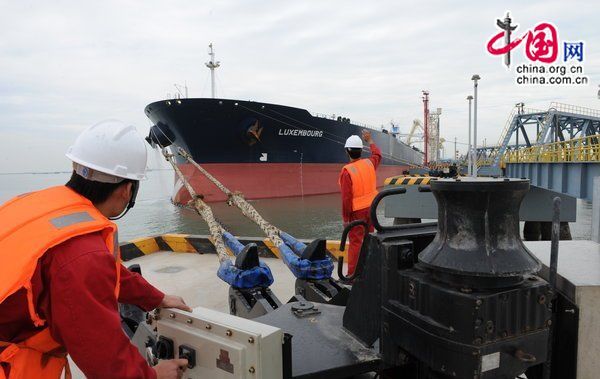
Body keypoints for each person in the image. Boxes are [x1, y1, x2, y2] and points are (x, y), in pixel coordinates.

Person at [0, 120, 190, 379]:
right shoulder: (82, 254)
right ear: (126, 190)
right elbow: (104, 357)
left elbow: (103, 271)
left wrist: (154, 298)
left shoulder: (34, 204)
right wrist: (154, 375)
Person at [339, 130, 381, 276]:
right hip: (371, 209)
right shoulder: (369, 163)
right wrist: (370, 141)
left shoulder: (347, 172)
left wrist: (345, 219)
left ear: (347, 151)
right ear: (361, 151)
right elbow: (377, 155)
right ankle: (368, 271)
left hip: (357, 212)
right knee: (369, 239)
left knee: (356, 243)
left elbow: (346, 199)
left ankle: (352, 276)